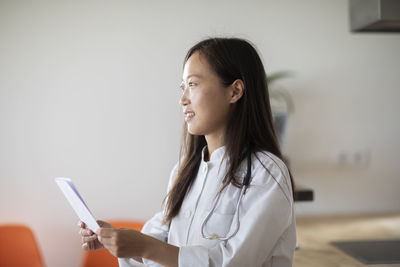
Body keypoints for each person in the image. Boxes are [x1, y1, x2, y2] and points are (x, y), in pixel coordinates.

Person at [79, 37, 296, 267]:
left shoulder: (267, 173)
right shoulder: (185, 171)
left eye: (192, 84)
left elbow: (234, 261)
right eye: (183, 87)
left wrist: (145, 246)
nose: (183, 100)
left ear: (235, 91)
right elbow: (159, 242)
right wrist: (118, 239)